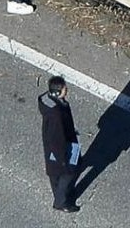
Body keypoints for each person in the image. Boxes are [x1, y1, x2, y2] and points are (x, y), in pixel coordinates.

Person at [38, 76, 81, 212]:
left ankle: (60, 194)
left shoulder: (47, 100)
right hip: (60, 147)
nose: (66, 90)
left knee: (54, 172)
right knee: (69, 171)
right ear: (58, 92)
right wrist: (62, 157)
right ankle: (61, 202)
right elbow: (57, 138)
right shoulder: (56, 115)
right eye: (64, 88)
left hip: (52, 145)